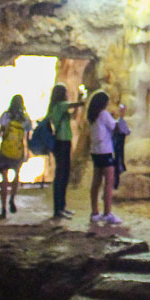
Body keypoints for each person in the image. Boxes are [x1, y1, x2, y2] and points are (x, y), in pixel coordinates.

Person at [46, 83, 83, 220]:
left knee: (63, 174)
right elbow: (73, 105)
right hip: (62, 142)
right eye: (65, 92)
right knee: (61, 175)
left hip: (63, 142)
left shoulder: (57, 108)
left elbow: (72, 115)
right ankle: (58, 209)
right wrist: (82, 100)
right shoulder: (60, 106)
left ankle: (62, 207)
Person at [86, 90, 122, 225]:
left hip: (95, 151)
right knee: (109, 182)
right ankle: (107, 213)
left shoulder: (92, 115)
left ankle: (95, 212)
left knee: (96, 182)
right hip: (105, 151)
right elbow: (115, 127)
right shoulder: (104, 114)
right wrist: (121, 116)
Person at [0, 94, 32, 219]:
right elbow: (27, 137)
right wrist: (27, 152)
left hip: (5, 150)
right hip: (18, 152)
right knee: (16, 175)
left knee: (4, 178)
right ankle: (12, 199)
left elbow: (1, 131)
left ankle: (3, 208)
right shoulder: (25, 118)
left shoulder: (6, 116)